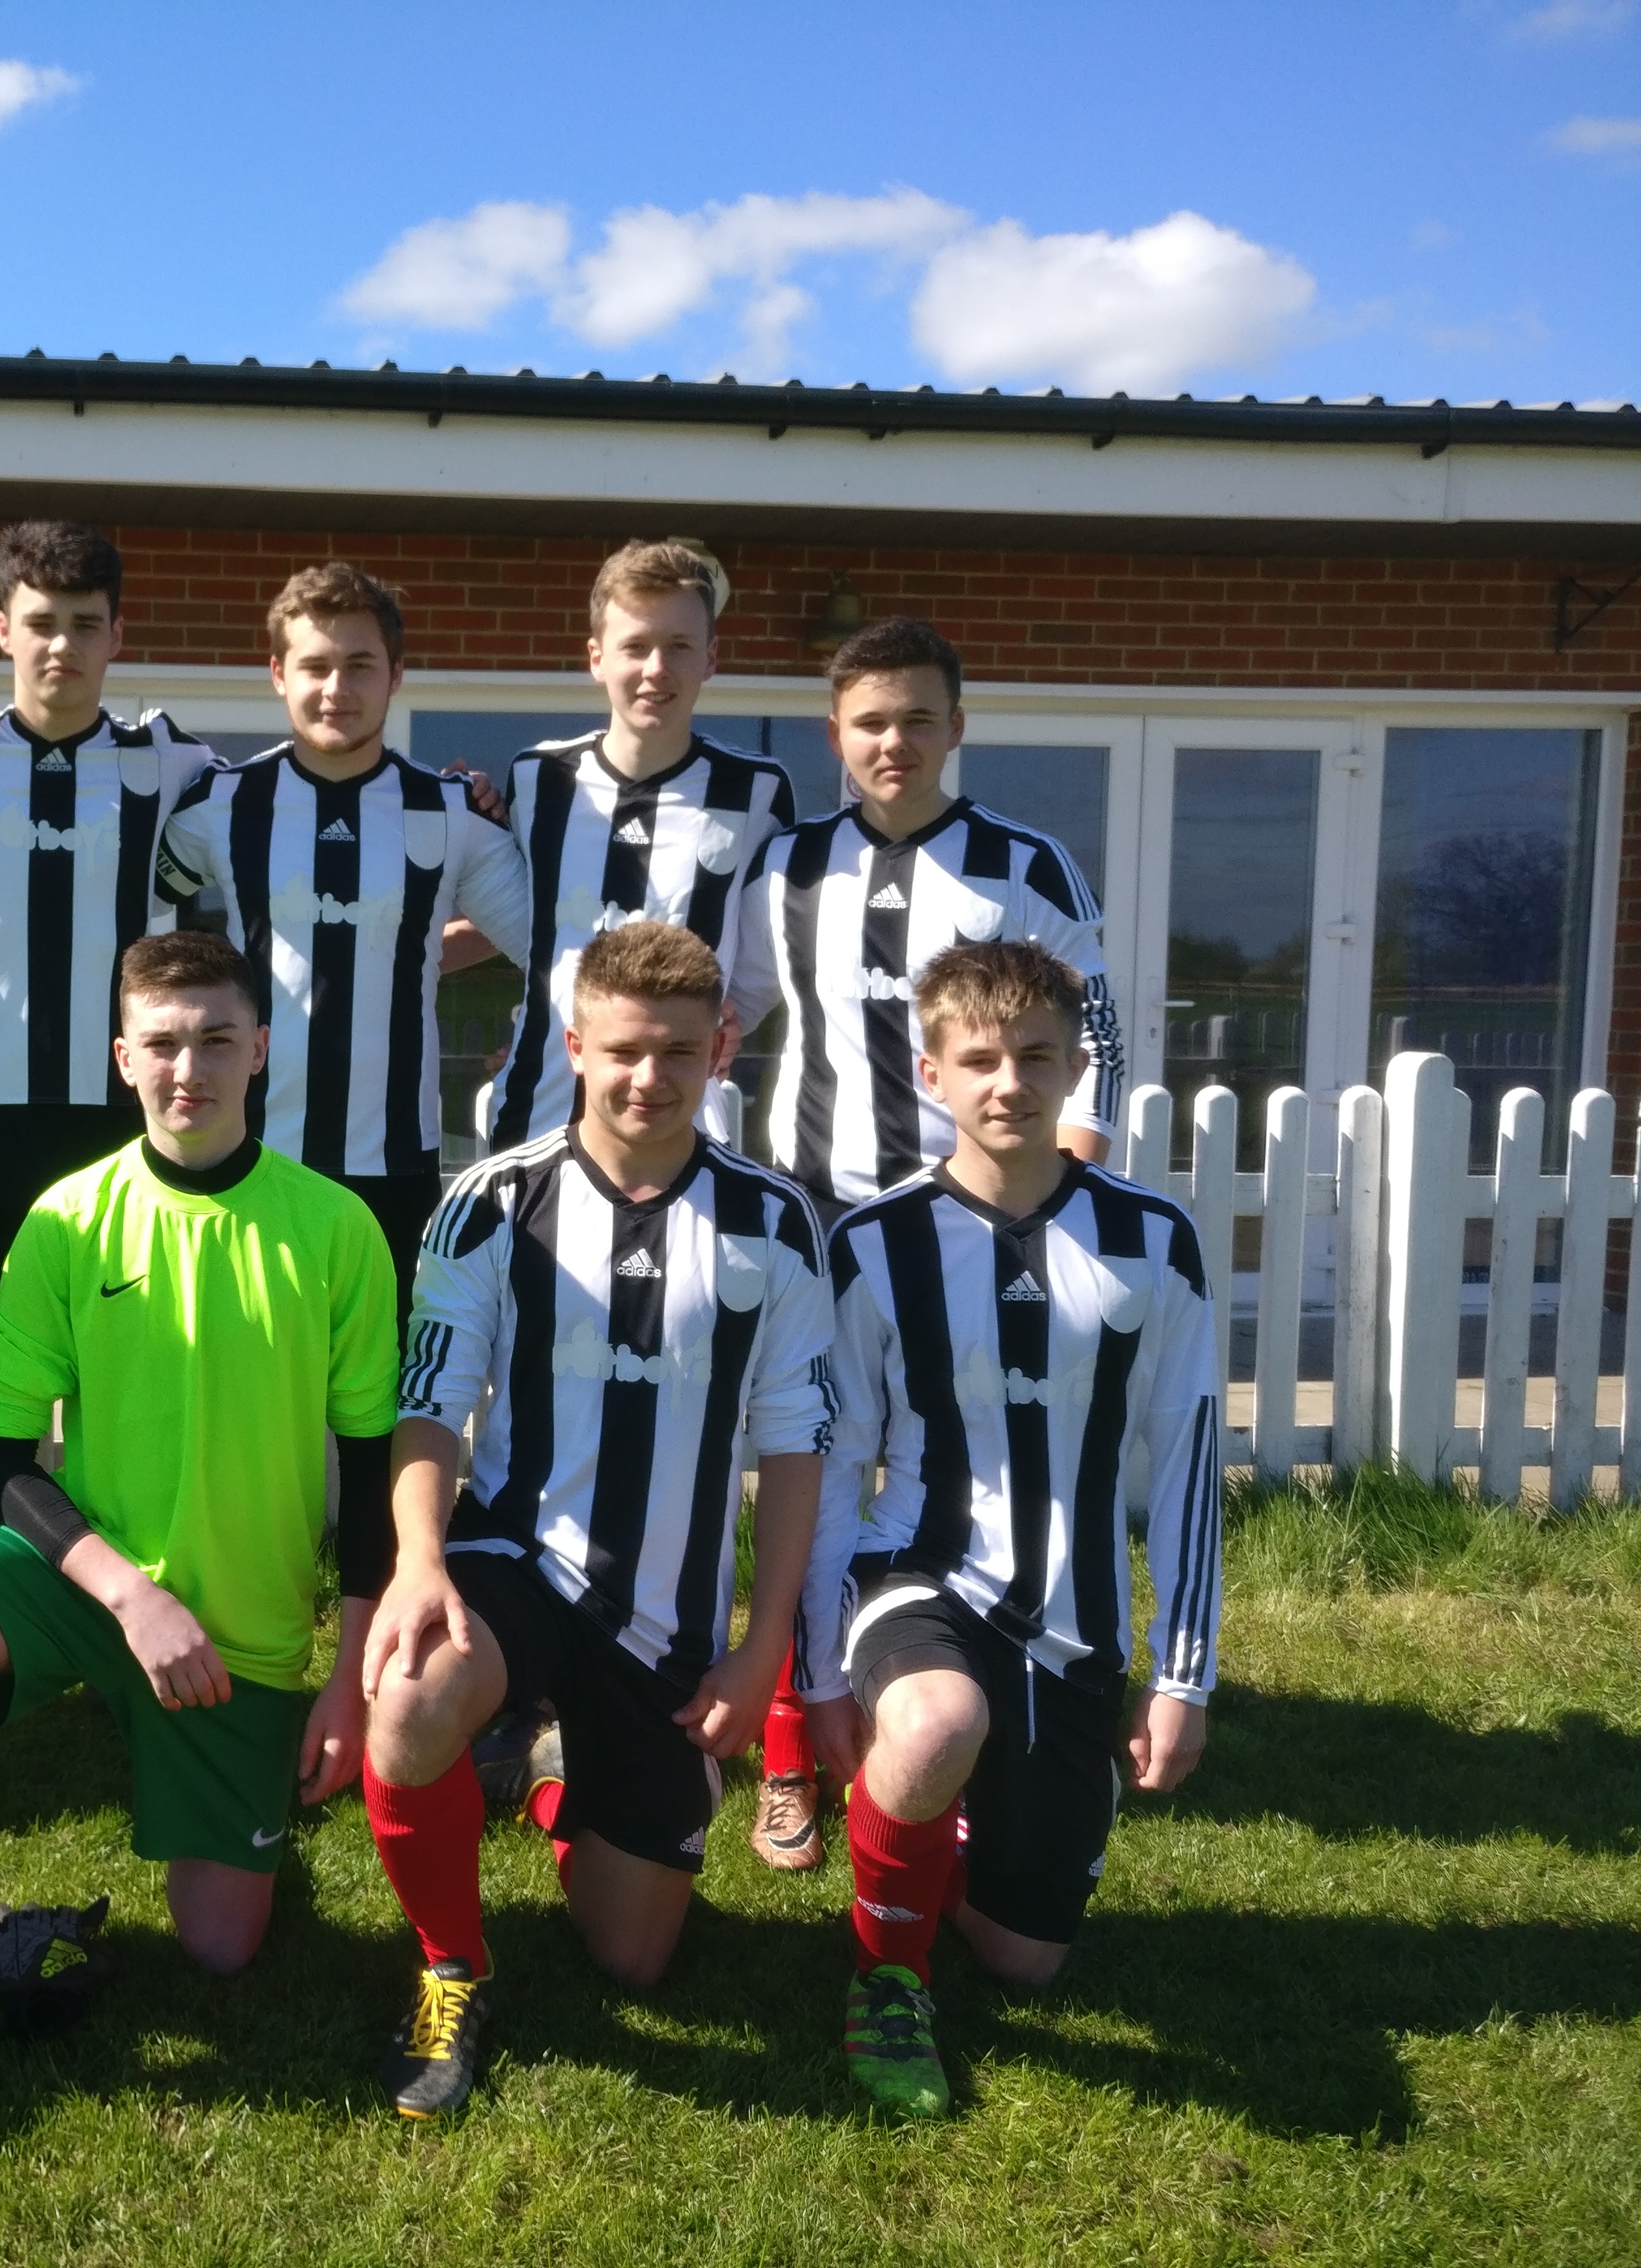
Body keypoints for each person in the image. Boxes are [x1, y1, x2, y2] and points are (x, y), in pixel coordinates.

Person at [0, 930, 399, 2170]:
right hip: (93, 1585)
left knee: (223, 1948)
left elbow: (376, 1476)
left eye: (217, 1039)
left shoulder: (336, 1228)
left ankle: (169, 1812)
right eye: (164, 1044)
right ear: (124, 1058)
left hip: (244, 1631)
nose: (191, 1068)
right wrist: (126, 1594)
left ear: (261, 1049)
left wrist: (346, 1674)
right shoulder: (68, 1220)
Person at [356, 921, 834, 2117]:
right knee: (413, 1698)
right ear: (575, 1044)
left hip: (663, 1613)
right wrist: (419, 1562)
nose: (649, 1077)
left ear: (722, 1048)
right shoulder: (489, 1202)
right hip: (511, 1563)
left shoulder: (774, 1225)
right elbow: (427, 1411)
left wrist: (761, 1642)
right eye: (624, 1048)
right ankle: (450, 1969)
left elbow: (792, 1449)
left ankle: (558, 1779)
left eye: (679, 1050)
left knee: (637, 1961)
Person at [733, 615, 1127, 1872]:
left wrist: (1056, 1183)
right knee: (801, 1469)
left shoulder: (1027, 864)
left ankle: (942, 1703)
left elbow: (1098, 1038)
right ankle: (791, 1748)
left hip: (965, 1227)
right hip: (817, 1220)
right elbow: (729, 1012)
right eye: (868, 721)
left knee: (944, 1462)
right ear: (834, 737)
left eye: (916, 717)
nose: (892, 741)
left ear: (957, 727)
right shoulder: (783, 865)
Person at [804, 939, 1218, 2120]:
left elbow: (1188, 1465)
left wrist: (1184, 1678)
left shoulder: (1153, 1239)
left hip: (1076, 1626)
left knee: (1022, 1960)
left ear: (1076, 1065)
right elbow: (835, 1468)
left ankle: (932, 1828)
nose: (1009, 1083)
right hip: (917, 1576)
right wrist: (820, 1673)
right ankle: (886, 1981)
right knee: (938, 1722)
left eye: (1036, 1055)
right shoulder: (873, 1243)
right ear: (930, 1073)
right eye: (978, 1058)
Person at [152, 563, 529, 1310]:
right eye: (314, 666)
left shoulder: (450, 813)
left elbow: (553, 952)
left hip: (393, 1167)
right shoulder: (221, 806)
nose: (336, 688)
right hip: (250, 1154)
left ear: (395, 675)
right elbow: (121, 909)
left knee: (375, 1408)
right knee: (252, 1395)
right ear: (277, 675)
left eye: (359, 665)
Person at [0, 520, 214, 1395]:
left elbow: (285, 826)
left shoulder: (176, 763)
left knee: (112, 1366)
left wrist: (469, 795)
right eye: (40, 621)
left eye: (84, 622)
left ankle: (99, 1534)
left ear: (117, 634)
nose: (61, 644)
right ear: (3, 628)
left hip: (110, 1115)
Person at [484, 540, 794, 1153]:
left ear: (710, 659)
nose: (657, 668)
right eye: (636, 647)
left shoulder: (758, 792)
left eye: (678, 647)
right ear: (597, 658)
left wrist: (729, 1021)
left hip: (690, 1129)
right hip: (538, 1121)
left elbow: (767, 950)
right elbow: (509, 910)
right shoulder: (538, 779)